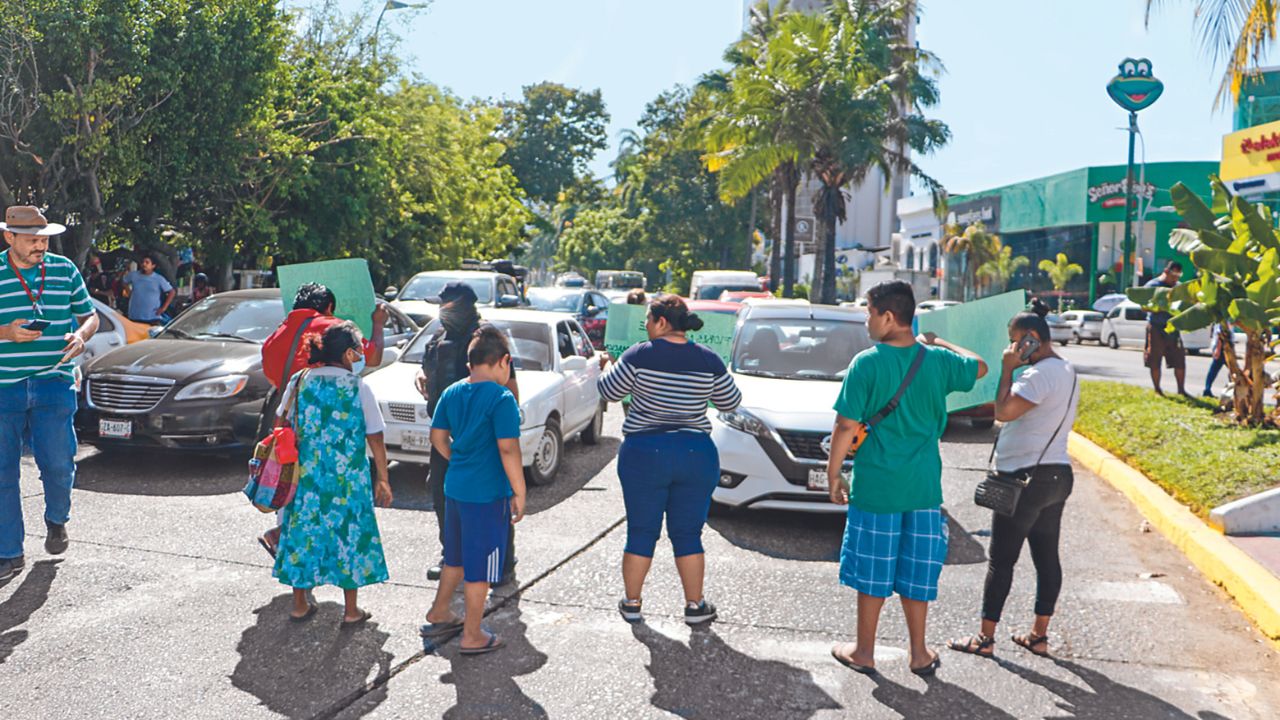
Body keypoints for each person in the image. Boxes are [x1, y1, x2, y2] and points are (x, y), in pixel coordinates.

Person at [825, 280, 987, 677]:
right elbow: (980, 366)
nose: (866, 320)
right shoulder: (936, 361)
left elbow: (846, 425)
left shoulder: (867, 363)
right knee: (916, 572)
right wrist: (942, 342)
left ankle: (864, 651)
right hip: (924, 489)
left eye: (868, 312)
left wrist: (833, 475)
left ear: (888, 317)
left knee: (873, 572)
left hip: (877, 487)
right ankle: (919, 653)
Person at [597, 295, 742, 625]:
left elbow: (608, 392)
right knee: (689, 534)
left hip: (644, 454)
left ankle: (632, 604)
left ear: (662, 322)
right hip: (695, 454)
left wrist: (606, 367)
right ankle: (694, 606)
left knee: (641, 531)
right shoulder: (708, 359)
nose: (646, 326)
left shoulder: (638, 355)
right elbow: (730, 401)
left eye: (648, 320)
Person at [947, 312, 1079, 660]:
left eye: (1013, 339)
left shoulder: (1037, 375)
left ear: (1031, 338)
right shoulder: (1066, 370)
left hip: (1025, 478)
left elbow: (1003, 412)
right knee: (1046, 556)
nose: (1010, 346)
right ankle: (1039, 635)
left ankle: (985, 639)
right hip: (1057, 475)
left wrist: (1007, 368)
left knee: (1001, 561)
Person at [0, 206, 99, 581]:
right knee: (2, 473)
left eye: (44, 238)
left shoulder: (63, 269)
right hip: (3, 385)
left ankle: (57, 519)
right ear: (10, 237)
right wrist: (6, 333)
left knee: (59, 464)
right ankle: (9, 552)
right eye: (32, 239)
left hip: (53, 381)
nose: (41, 245)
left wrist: (81, 335)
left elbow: (90, 315)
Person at [273, 322, 393, 624]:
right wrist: (383, 478)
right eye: (359, 349)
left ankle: (299, 604)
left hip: (306, 478)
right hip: (348, 480)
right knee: (348, 537)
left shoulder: (300, 381)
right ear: (349, 354)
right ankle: (351, 611)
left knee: (303, 534)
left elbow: (281, 422)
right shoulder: (358, 387)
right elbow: (375, 437)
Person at [257, 283, 387, 557]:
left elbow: (273, 378)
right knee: (330, 504)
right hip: (327, 430)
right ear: (328, 306)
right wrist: (377, 324)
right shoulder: (332, 327)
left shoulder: (276, 334)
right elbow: (372, 356)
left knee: (292, 492)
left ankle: (286, 547)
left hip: (291, 427)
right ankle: (301, 553)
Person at [421, 326, 526, 654]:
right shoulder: (502, 397)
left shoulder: (451, 393)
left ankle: (439, 611)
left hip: (456, 488)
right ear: (503, 362)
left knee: (456, 558)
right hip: (487, 495)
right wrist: (519, 491)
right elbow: (508, 449)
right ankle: (472, 634)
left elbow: (437, 438)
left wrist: (460, 458)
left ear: (470, 363)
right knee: (481, 568)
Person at [415, 282, 519, 583]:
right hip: (446, 433)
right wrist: (422, 376)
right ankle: (453, 557)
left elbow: (510, 385)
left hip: (482, 436)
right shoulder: (439, 335)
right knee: (442, 494)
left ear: (460, 305)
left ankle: (501, 563)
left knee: (492, 499)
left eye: (445, 305)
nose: (440, 312)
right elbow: (425, 367)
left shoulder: (485, 338)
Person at [1144, 261, 1189, 397]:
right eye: (1173, 274)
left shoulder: (1179, 288)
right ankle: (1157, 389)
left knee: (1179, 359)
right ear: (1166, 271)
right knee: (1155, 359)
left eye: (1178, 275)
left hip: (1173, 327)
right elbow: (1143, 306)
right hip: (1156, 326)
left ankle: (1181, 390)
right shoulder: (1153, 286)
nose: (1175, 278)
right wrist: (1158, 307)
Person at [122, 252, 176, 324]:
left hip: (152, 316)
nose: (144, 264)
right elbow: (124, 281)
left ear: (153, 265)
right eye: (143, 262)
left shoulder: (159, 279)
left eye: (147, 262)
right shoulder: (134, 275)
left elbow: (171, 292)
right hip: (134, 315)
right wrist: (128, 291)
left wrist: (163, 308)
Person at [1203, 322, 1229, 398]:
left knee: (1214, 370)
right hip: (1223, 348)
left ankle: (1207, 389)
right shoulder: (1223, 321)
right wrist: (1218, 349)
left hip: (1224, 347)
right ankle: (1207, 389)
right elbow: (1220, 334)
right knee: (1214, 370)